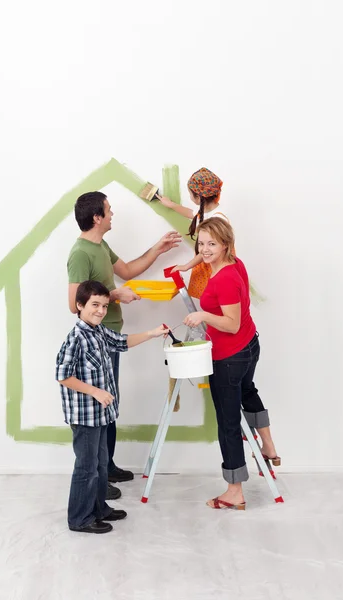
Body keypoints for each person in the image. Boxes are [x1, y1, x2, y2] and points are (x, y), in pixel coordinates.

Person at [67, 191, 182, 500]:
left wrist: (158, 249)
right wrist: (116, 296)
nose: (112, 213)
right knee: (101, 405)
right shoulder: (80, 253)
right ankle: (100, 477)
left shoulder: (100, 245)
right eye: (108, 210)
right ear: (97, 217)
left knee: (111, 404)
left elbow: (128, 271)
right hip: (96, 341)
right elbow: (73, 304)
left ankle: (109, 465)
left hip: (112, 334)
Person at [182, 217, 280, 510]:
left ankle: (234, 491)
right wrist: (189, 264)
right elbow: (205, 253)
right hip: (250, 346)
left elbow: (232, 323)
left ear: (226, 244)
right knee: (248, 391)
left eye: (212, 244)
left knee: (227, 423)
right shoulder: (235, 263)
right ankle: (269, 447)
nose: (205, 249)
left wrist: (203, 316)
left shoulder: (224, 278)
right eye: (201, 243)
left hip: (229, 357)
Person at [56, 280, 169, 533]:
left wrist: (151, 333)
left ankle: (99, 509)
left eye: (105, 306)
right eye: (95, 305)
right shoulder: (76, 338)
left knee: (100, 463)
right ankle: (79, 519)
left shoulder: (98, 331)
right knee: (86, 467)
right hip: (85, 416)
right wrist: (95, 391)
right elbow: (63, 375)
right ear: (80, 305)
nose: (100, 311)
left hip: (101, 415)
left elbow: (121, 342)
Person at [159, 167, 229, 299]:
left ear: (198, 196)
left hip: (218, 269)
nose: (190, 197)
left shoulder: (217, 219)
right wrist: (172, 205)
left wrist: (186, 266)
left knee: (217, 303)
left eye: (190, 194)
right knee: (210, 304)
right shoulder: (207, 212)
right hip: (212, 266)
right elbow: (192, 214)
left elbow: (208, 251)